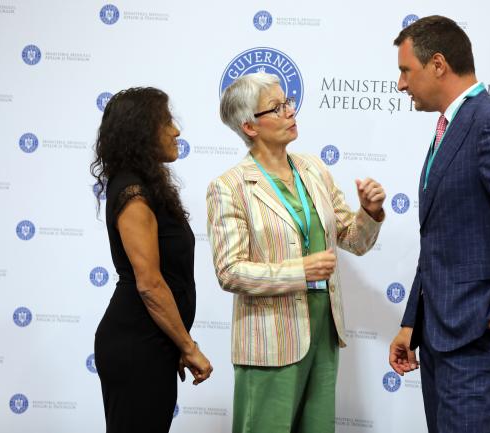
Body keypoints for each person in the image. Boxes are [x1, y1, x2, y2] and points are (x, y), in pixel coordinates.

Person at [388, 16, 490, 433]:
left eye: (406, 70)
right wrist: (412, 322)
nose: (402, 84)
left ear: (438, 64)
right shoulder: (451, 126)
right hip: (441, 333)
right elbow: (441, 241)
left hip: (477, 338)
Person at [207, 72, 385, 433]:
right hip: (270, 340)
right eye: (277, 107)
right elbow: (230, 271)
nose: (290, 111)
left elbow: (353, 239)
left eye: (288, 102)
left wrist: (370, 212)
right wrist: (300, 271)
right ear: (249, 126)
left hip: (323, 330)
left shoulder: (314, 168)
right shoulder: (228, 186)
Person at [91, 87, 212, 433]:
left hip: (151, 343)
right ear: (143, 130)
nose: (176, 130)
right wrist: (188, 347)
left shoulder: (145, 185)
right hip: (136, 345)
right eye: (167, 121)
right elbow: (149, 284)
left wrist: (175, 341)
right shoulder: (133, 193)